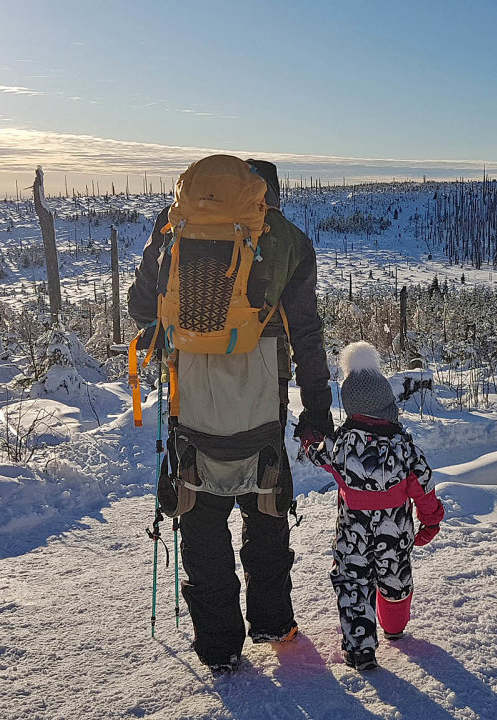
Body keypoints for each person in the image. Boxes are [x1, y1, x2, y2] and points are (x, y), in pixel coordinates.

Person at [126, 156, 333, 673]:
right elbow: (305, 332)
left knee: (200, 523)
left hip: (190, 401)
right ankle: (271, 622)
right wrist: (317, 411)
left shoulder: (175, 226)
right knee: (265, 515)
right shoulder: (287, 240)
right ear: (267, 195)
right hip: (261, 400)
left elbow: (140, 306)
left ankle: (219, 647)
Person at [300, 341, 443, 671]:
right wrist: (431, 520)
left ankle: (360, 648)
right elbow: (424, 484)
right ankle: (394, 628)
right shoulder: (404, 447)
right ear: (387, 405)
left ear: (351, 406)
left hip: (352, 535)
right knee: (395, 576)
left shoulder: (340, 444)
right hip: (395, 532)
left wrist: (308, 434)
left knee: (353, 584)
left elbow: (316, 453)